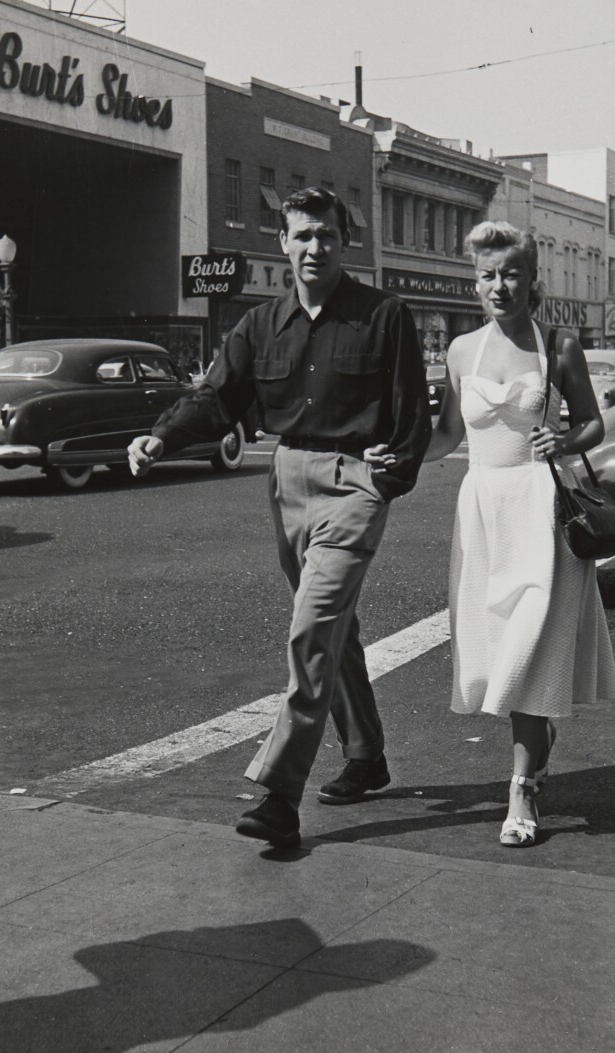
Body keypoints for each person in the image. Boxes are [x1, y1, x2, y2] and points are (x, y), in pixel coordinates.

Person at [128, 187, 431, 848]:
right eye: (301, 236)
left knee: (312, 631)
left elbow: (413, 417)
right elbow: (217, 397)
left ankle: (279, 793)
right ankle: (366, 754)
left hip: (355, 482)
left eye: (325, 235)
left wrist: (392, 470)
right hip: (287, 479)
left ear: (343, 242)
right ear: (283, 244)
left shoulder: (385, 315)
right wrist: (161, 437)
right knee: (333, 630)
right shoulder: (260, 325)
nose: (313, 247)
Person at [419, 220, 615, 847]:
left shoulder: (557, 346)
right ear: (473, 281)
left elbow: (593, 425)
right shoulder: (459, 351)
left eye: (510, 273)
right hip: (482, 512)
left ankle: (521, 790)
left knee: (531, 649)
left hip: (540, 510)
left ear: (532, 279)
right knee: (498, 647)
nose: (498, 286)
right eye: (486, 275)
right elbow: (450, 434)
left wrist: (563, 437)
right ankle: (537, 749)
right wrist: (397, 458)